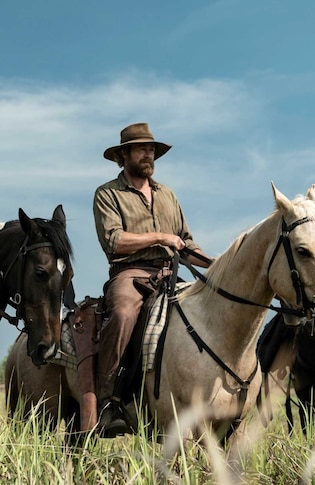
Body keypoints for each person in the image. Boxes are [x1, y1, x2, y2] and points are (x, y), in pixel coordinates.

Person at [93, 122, 213, 437]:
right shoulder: (108, 193)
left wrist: (215, 265)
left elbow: (186, 244)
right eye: (143, 149)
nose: (149, 155)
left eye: (152, 150)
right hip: (130, 273)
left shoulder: (168, 195)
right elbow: (114, 241)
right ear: (124, 155)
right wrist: (160, 237)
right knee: (122, 315)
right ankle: (108, 401)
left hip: (171, 273)